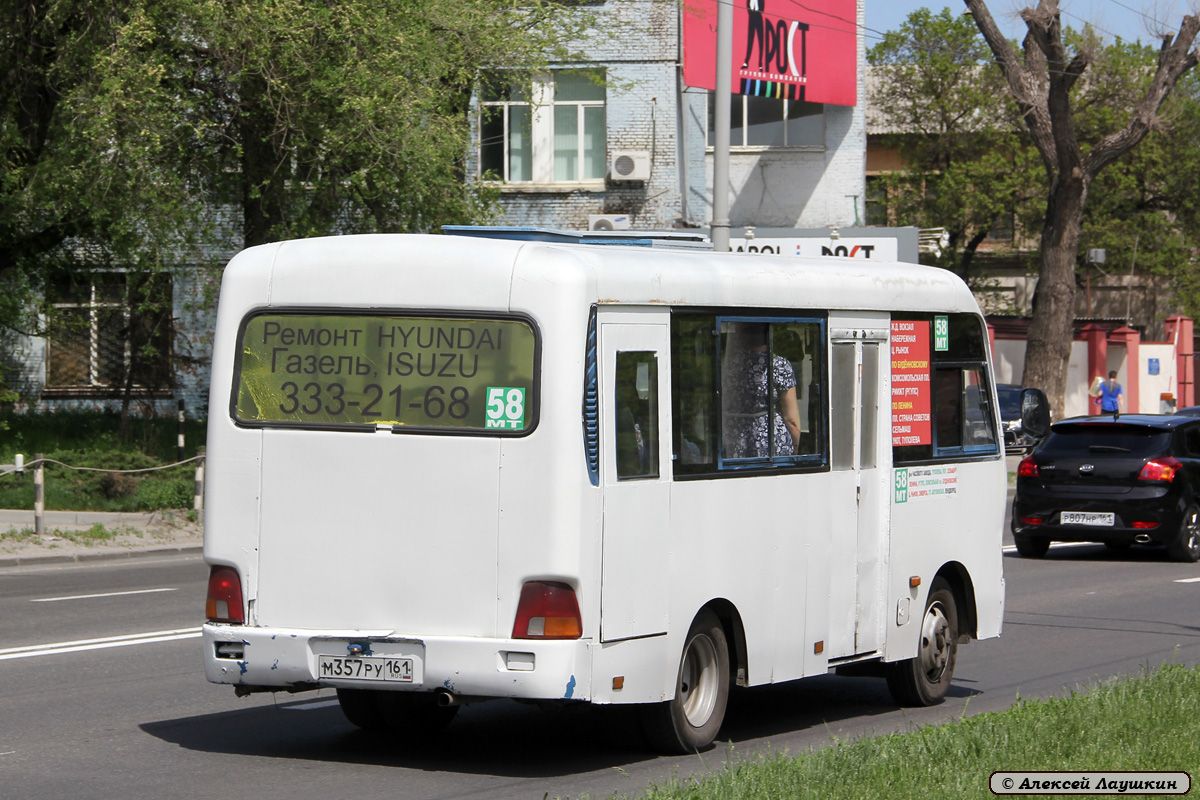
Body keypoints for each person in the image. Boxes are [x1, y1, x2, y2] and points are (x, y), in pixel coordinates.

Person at [722, 323, 801, 458]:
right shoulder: (779, 365)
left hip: (734, 439)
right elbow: (791, 419)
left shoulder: (728, 364)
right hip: (770, 443)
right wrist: (795, 447)